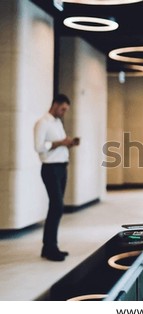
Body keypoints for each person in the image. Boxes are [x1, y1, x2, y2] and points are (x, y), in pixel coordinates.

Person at [34, 94, 79, 262]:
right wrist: (61, 143)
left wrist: (68, 143)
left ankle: (49, 246)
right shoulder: (42, 123)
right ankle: (50, 247)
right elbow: (39, 147)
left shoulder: (57, 123)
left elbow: (58, 143)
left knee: (56, 207)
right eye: (63, 109)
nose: (64, 112)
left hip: (61, 167)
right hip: (50, 169)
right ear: (55, 104)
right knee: (57, 206)